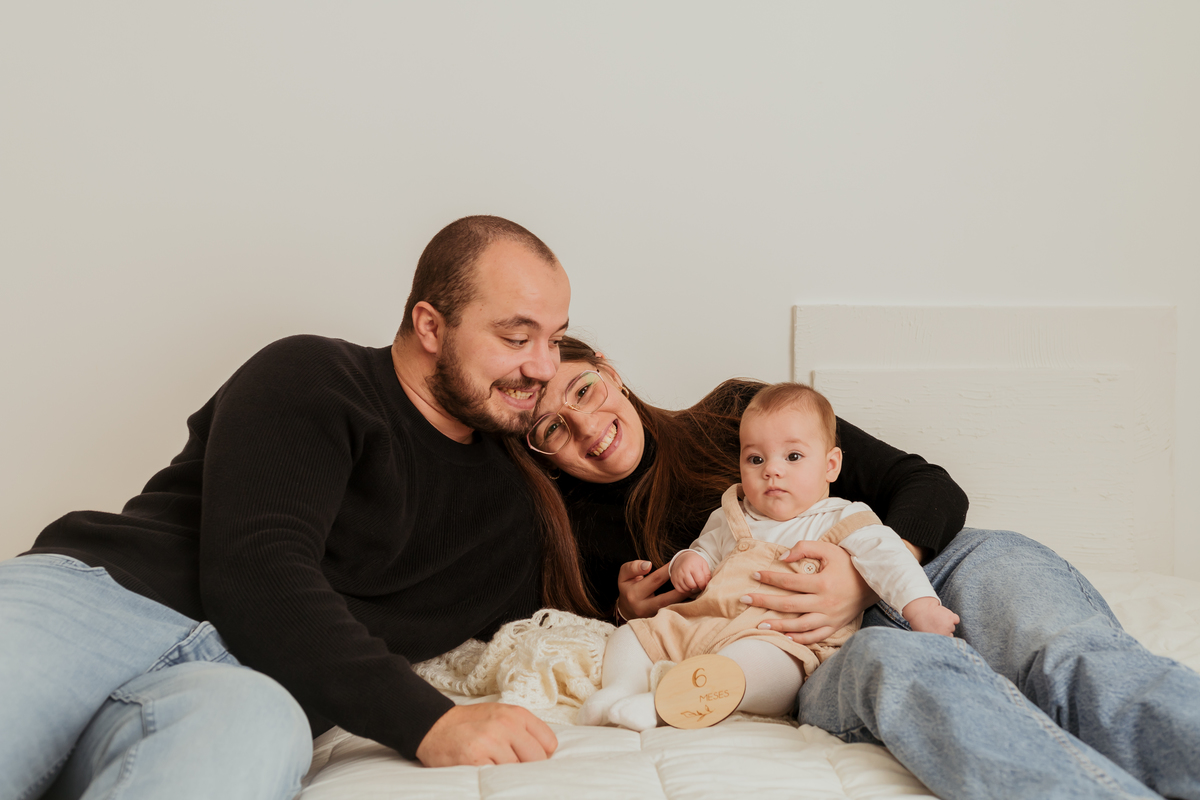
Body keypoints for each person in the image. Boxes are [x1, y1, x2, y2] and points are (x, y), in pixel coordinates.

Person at [0, 215, 589, 800]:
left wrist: (633, 593)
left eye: (554, 339)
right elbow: (258, 568)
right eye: (517, 338)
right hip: (102, 605)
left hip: (245, 690)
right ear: (430, 326)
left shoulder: (513, 513)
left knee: (248, 737)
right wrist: (425, 721)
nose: (541, 366)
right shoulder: (315, 375)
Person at [526, 336, 1200, 800]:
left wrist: (866, 569)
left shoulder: (738, 414)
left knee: (1065, 656)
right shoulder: (574, 540)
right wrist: (624, 610)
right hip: (818, 657)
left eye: (583, 390)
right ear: (539, 450)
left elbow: (927, 483)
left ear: (609, 371)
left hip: (937, 570)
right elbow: (624, 638)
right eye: (551, 428)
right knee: (906, 671)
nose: (586, 427)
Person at [573, 382, 958, 731]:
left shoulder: (844, 518)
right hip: (701, 624)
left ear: (831, 465)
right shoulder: (731, 515)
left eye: (792, 456)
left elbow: (890, 559)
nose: (772, 470)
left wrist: (920, 606)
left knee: (758, 669)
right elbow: (704, 550)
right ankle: (618, 691)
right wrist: (686, 564)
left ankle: (661, 707)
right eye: (756, 460)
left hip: (780, 640)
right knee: (631, 637)